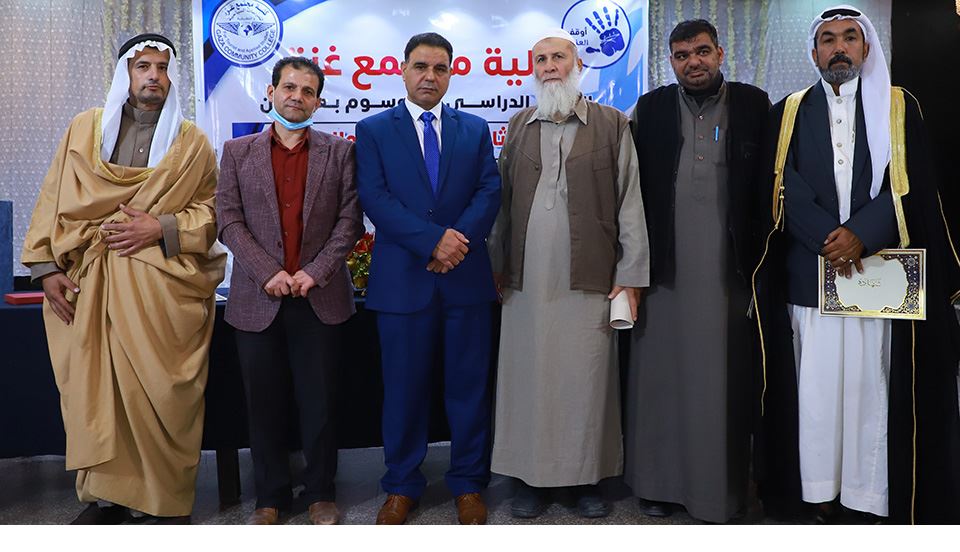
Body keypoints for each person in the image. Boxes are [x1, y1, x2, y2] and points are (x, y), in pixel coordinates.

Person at [754, 5, 960, 523]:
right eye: (828, 40)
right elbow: (782, 184)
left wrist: (862, 235)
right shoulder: (788, 110)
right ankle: (818, 492)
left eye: (850, 37)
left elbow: (911, 181)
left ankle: (866, 499)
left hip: (878, 274)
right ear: (814, 51)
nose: (839, 48)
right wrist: (831, 239)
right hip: (811, 274)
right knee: (817, 392)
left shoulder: (899, 105)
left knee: (871, 390)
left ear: (866, 47)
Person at [21, 33, 226, 524]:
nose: (153, 76)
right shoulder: (83, 129)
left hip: (162, 294)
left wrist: (163, 226)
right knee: (97, 393)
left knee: (160, 395)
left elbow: (213, 213)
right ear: (125, 74)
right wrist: (46, 269)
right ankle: (104, 497)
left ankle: (163, 501)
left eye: (162, 67)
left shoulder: (191, 143)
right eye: (143, 67)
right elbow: (53, 196)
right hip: (89, 288)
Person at [487, 29, 649, 519]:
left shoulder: (612, 123)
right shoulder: (518, 126)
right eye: (541, 60)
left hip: (591, 275)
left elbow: (630, 201)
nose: (550, 66)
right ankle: (530, 479)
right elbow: (500, 205)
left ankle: (585, 479)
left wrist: (631, 273)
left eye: (558, 57)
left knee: (587, 380)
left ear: (578, 66)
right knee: (528, 377)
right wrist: (495, 266)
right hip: (526, 280)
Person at [623, 19, 770, 523]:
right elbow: (627, 189)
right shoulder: (651, 109)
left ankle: (721, 490)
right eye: (682, 55)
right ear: (670, 61)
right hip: (665, 271)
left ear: (720, 53)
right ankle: (657, 485)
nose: (694, 62)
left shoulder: (753, 104)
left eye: (702, 51)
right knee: (659, 379)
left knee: (722, 381)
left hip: (730, 273)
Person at [354, 32, 501, 525]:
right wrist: (433, 242)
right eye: (420, 66)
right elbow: (375, 198)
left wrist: (455, 244)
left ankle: (469, 484)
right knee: (403, 391)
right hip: (403, 283)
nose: (429, 77)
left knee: (469, 389)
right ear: (402, 70)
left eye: (440, 68)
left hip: (465, 280)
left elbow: (489, 191)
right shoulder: (374, 130)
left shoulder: (474, 129)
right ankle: (401, 486)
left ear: (451, 74)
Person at [216, 57, 363, 525]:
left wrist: (315, 271)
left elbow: (350, 221)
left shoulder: (339, 153)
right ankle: (270, 497)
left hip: (320, 298)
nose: (297, 97)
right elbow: (228, 220)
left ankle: (321, 493)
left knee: (320, 404)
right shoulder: (237, 152)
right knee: (264, 405)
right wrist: (268, 272)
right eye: (289, 88)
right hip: (257, 299)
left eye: (307, 91)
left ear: (318, 102)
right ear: (272, 92)